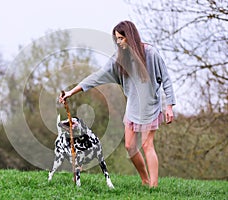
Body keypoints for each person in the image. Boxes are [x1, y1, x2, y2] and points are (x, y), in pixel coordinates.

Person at [59, 20, 176, 188]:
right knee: (129, 146)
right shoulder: (119, 59)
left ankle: (154, 187)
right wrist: (72, 91)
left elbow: (166, 78)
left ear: (131, 36)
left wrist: (169, 105)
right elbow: (97, 77)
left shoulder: (150, 53)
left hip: (151, 106)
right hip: (133, 107)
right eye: (117, 39)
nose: (119, 42)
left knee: (146, 144)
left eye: (121, 38)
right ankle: (145, 179)